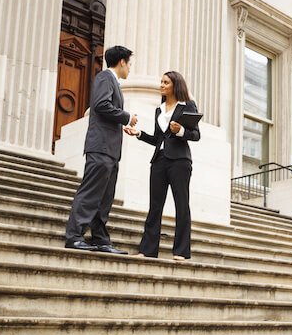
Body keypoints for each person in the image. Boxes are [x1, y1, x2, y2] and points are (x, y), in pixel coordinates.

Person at [64, 45, 138, 254]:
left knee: (104, 197)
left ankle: (100, 239)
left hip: (111, 150)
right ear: (122, 62)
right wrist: (126, 116)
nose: (130, 69)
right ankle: (74, 236)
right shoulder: (105, 77)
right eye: (129, 64)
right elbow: (101, 105)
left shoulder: (112, 81)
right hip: (101, 147)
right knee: (90, 193)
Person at [126, 71, 200, 260]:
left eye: (165, 82)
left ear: (175, 85)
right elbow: (157, 139)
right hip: (159, 160)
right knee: (155, 206)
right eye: (161, 82)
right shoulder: (159, 110)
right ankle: (148, 250)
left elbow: (196, 135)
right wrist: (138, 133)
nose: (161, 85)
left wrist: (181, 130)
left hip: (180, 161)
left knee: (181, 205)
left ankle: (181, 252)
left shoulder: (187, 105)